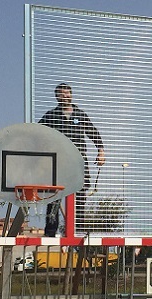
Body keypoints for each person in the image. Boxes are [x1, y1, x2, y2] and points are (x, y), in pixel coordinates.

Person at [38, 83, 105, 236]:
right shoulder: (51, 116)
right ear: (57, 97)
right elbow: (38, 133)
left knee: (80, 196)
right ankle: (50, 232)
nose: (65, 96)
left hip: (78, 161)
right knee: (54, 196)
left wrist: (101, 151)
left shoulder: (80, 115)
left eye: (68, 93)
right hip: (58, 163)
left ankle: (79, 230)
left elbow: (92, 132)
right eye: (62, 94)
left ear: (71, 95)